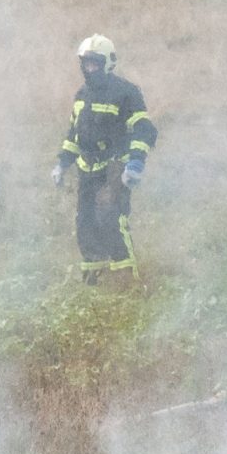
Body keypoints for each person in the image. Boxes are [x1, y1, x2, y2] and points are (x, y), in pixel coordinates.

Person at [54, 34, 157, 280]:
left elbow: (144, 130)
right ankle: (95, 281)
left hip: (114, 167)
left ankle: (126, 281)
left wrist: (135, 163)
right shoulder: (81, 96)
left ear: (108, 63)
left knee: (110, 219)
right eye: (86, 63)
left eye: (95, 63)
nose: (90, 68)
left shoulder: (126, 93)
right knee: (85, 224)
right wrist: (62, 163)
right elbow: (74, 135)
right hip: (86, 169)